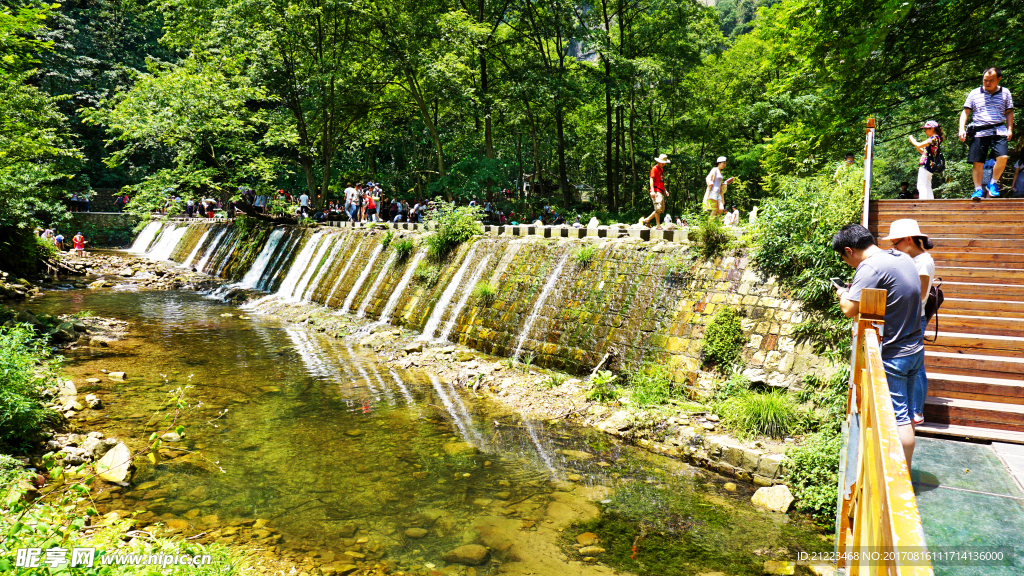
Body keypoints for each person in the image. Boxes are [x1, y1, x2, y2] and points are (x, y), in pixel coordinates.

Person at [833, 223, 924, 469]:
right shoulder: (902, 258)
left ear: (849, 250)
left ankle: (901, 480)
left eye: (844, 258)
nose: (847, 264)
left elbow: (850, 309)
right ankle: (898, 467)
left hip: (895, 353)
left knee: (899, 418)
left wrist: (843, 293)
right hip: (915, 347)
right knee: (905, 409)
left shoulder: (870, 266)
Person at [883, 219, 935, 426]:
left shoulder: (922, 262)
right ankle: (913, 410)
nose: (893, 248)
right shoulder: (912, 259)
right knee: (915, 364)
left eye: (895, 243)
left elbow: (920, 296)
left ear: (908, 239)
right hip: (909, 317)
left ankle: (917, 411)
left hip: (914, 318)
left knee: (917, 365)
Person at [960, 67, 1014, 199]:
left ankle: (993, 183)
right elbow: (966, 112)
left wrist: (1010, 129)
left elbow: (1009, 112)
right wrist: (961, 128)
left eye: (991, 80)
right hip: (979, 130)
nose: (987, 83)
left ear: (998, 79)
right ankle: (978, 190)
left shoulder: (1005, 92)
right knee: (977, 162)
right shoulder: (974, 93)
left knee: (1003, 157)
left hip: (999, 130)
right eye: (985, 80)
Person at [642, 153, 671, 227]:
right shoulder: (654, 168)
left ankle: (647, 219)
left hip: (661, 191)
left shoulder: (661, 170)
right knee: (658, 208)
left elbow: (661, 181)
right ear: (659, 161)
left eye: (664, 162)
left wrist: (665, 190)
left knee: (661, 210)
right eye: (662, 162)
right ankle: (658, 225)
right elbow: (651, 179)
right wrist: (652, 191)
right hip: (656, 190)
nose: (663, 164)